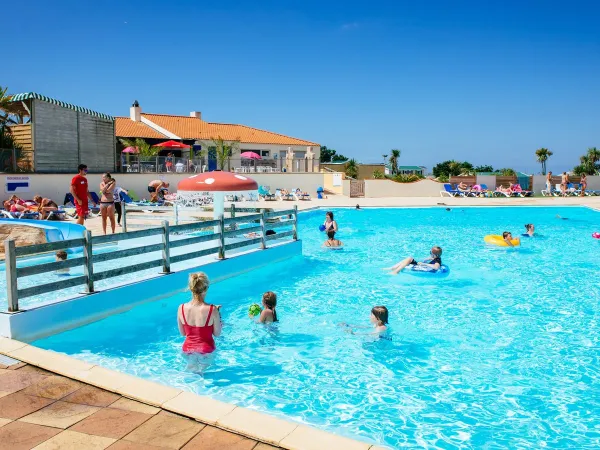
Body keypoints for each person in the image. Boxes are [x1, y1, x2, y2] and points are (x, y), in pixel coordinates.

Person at [177, 273, 222, 372]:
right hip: (206, 350)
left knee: (190, 371)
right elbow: (217, 334)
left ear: (191, 288)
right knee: (201, 374)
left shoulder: (181, 308)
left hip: (187, 350)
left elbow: (183, 333)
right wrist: (218, 317)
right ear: (206, 289)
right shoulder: (212, 309)